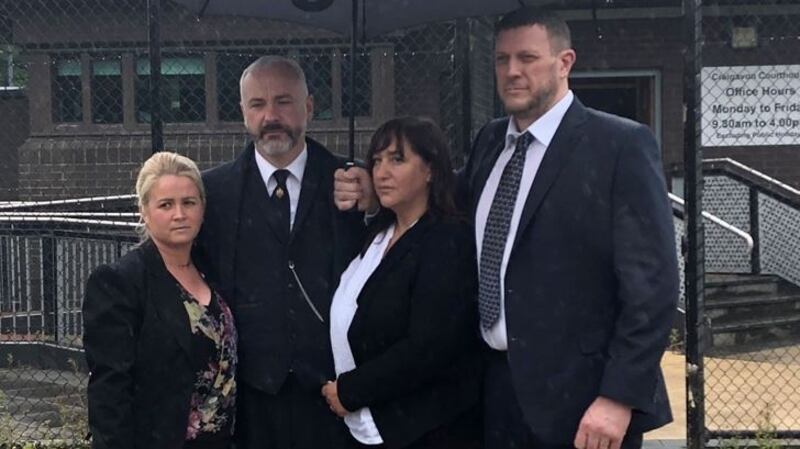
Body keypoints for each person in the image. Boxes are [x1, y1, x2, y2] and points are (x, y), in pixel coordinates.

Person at [335, 7, 679, 449]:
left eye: (527, 58)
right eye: (501, 60)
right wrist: (375, 190)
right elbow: (441, 200)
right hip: (494, 395)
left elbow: (653, 287)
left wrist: (618, 397)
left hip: (583, 401)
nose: (512, 72)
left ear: (565, 62)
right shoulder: (490, 142)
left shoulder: (618, 146)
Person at [194, 55, 365, 449]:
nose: (271, 115)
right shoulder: (212, 193)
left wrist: (370, 203)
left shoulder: (354, 185)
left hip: (333, 394)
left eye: (284, 101)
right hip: (249, 397)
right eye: (258, 104)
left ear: (308, 107)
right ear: (243, 113)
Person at [321, 117, 482, 449]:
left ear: (431, 170)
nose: (381, 173)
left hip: (424, 428)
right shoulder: (380, 232)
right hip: (369, 425)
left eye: (397, 160)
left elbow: (428, 347)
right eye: (376, 161)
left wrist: (350, 390)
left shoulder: (446, 241)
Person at [84, 152, 237, 449]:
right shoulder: (121, 282)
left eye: (188, 203)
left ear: (202, 209)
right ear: (144, 210)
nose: (179, 214)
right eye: (166, 205)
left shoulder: (214, 271)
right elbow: (109, 391)